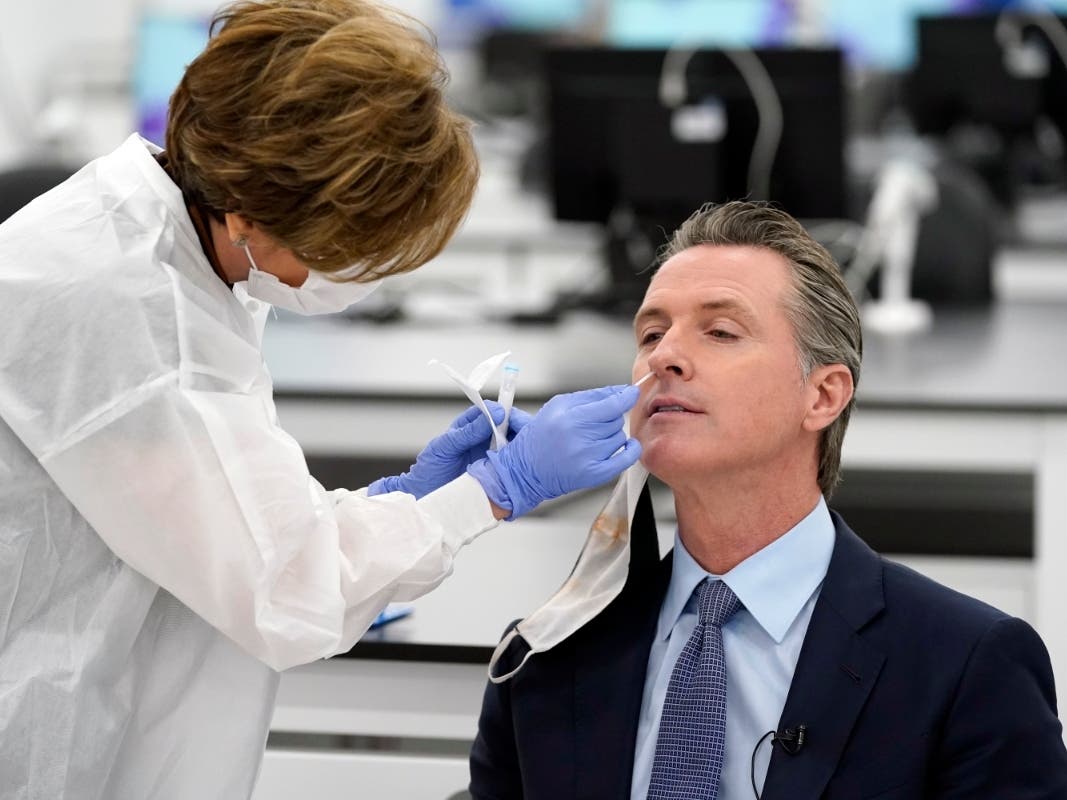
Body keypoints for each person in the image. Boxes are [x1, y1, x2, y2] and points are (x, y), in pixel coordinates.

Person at [0, 2, 641, 798]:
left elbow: (219, 517)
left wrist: (402, 501)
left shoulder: (175, 243)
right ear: (247, 214)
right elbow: (285, 594)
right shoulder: (128, 309)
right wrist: (489, 496)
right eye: (341, 250)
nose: (357, 273)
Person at [469, 200, 1067, 799]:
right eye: (652, 332)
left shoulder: (966, 669)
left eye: (721, 331)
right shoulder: (544, 655)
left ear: (823, 396)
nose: (663, 356)